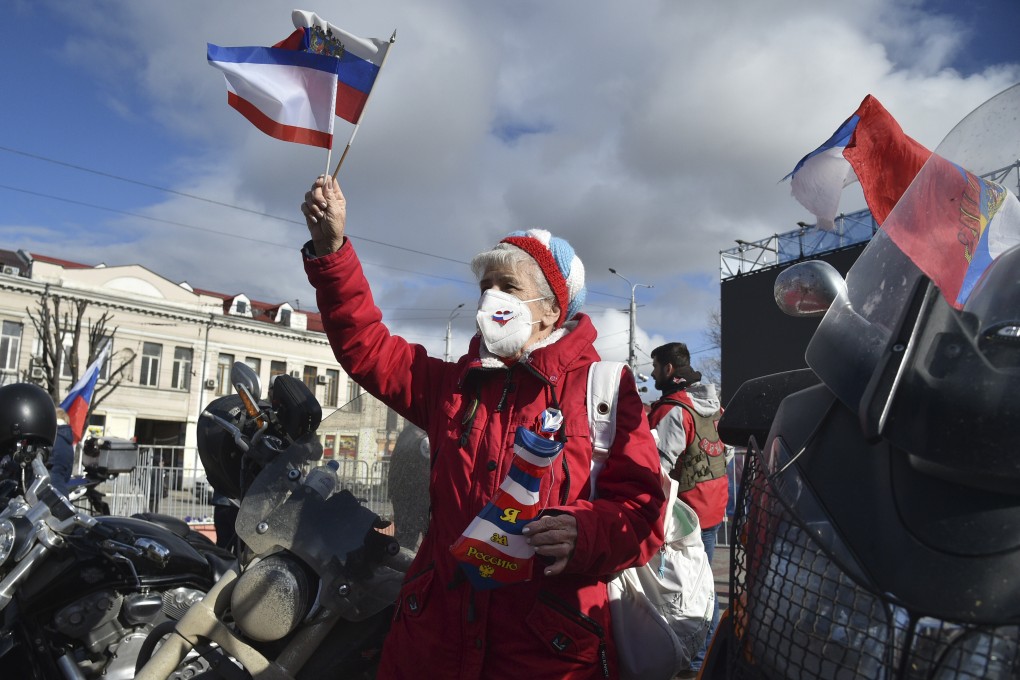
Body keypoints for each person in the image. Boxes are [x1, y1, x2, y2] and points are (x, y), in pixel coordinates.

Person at [301, 175, 665, 680]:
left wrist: (584, 532)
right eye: (484, 287)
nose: (490, 298)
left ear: (551, 310)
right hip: (432, 642)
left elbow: (643, 513)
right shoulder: (452, 385)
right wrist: (332, 252)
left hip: (544, 651)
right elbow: (366, 346)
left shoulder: (602, 388)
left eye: (508, 286)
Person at [647, 341, 727, 677]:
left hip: (686, 514)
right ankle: (706, 654)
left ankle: (699, 662)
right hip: (714, 504)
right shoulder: (712, 404)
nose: (652, 374)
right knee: (702, 582)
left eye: (655, 367)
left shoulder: (673, 410)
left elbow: (658, 468)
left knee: (692, 588)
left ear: (668, 369)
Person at [387, 423, 430, 550]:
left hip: (405, 496)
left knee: (405, 540)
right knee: (410, 539)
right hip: (417, 497)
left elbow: (394, 467)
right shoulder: (421, 435)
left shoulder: (409, 432)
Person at [49, 406, 75, 497]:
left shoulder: (50, 437)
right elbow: (67, 473)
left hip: (47, 491)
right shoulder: (68, 441)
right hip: (61, 490)